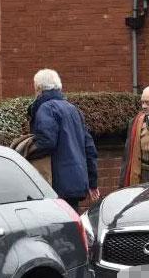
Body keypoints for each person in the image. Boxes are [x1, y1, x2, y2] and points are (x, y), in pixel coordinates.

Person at [28, 69, 99, 211]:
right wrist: (92, 183)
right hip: (76, 182)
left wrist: (26, 151)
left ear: (38, 88)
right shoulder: (73, 109)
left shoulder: (46, 108)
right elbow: (89, 147)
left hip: (56, 182)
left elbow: (47, 142)